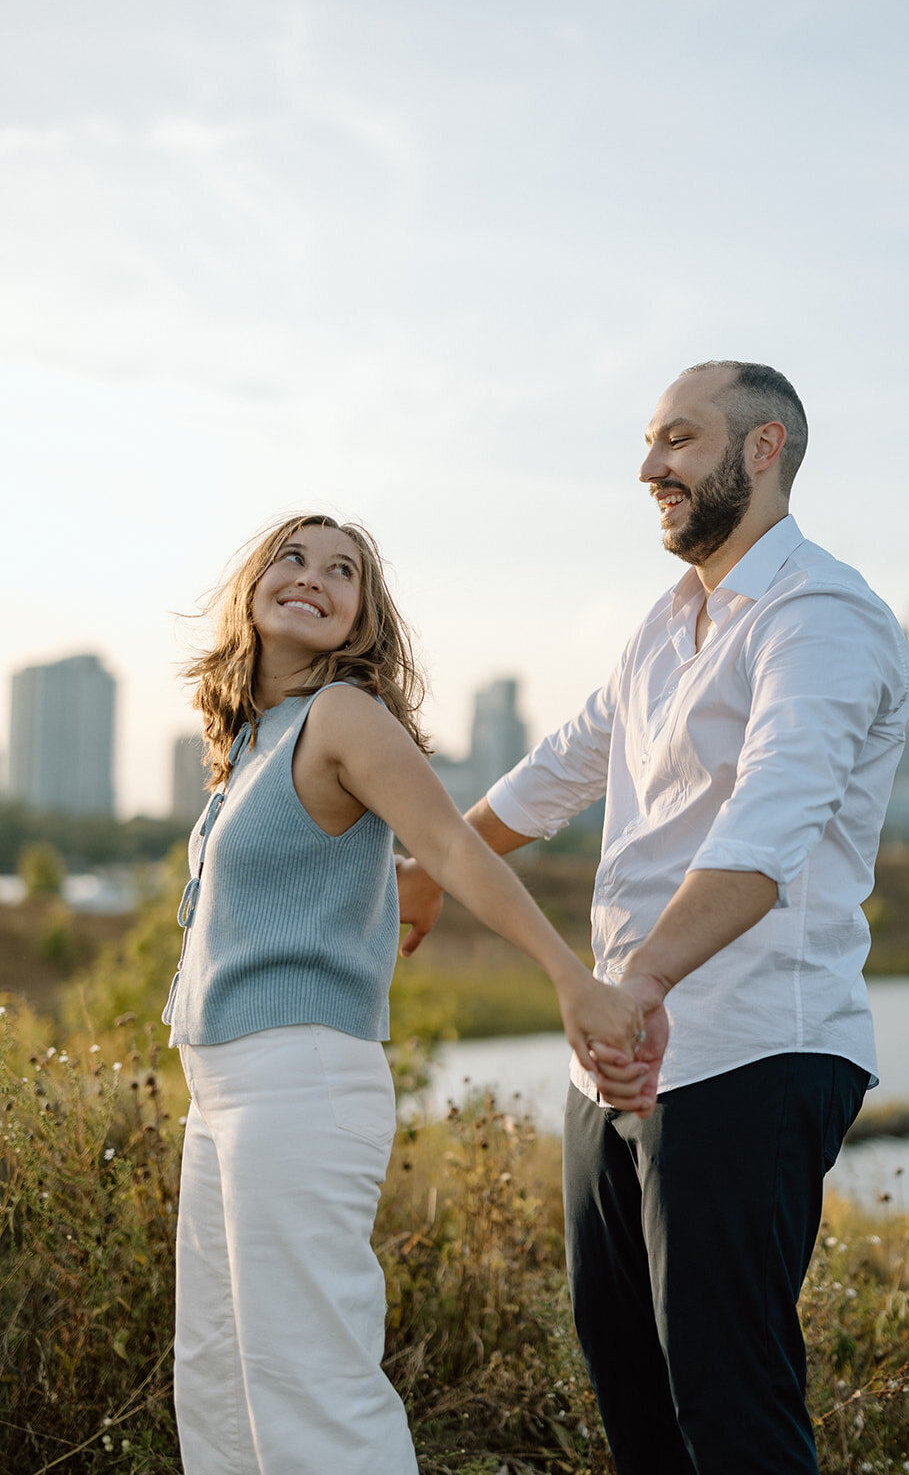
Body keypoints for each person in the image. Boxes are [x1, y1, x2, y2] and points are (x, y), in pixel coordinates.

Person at [398, 361, 909, 1475]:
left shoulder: (820, 614)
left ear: (763, 448)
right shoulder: (666, 619)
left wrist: (641, 984)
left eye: (678, 440)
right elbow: (563, 765)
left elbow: (763, 835)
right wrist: (432, 864)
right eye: (648, 443)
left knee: (729, 1411)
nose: (649, 468)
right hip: (623, 1060)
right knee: (631, 1395)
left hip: (747, 1045)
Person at [162, 513, 647, 1475]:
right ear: (251, 588)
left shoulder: (343, 717)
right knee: (217, 1380)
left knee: (310, 1385)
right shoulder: (251, 740)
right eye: (291, 559)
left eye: (341, 572)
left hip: (297, 1080)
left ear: (359, 622)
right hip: (220, 1091)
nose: (312, 577)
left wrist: (568, 979)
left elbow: (454, 850)